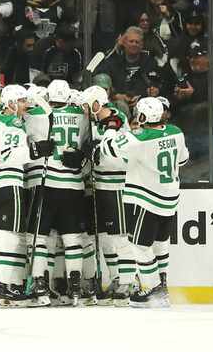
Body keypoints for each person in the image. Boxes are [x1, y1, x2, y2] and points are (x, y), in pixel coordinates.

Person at [0, 84, 55, 307]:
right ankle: (3, 288)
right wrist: (36, 150)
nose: (25, 106)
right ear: (12, 103)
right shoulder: (15, 125)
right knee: (10, 236)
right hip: (7, 185)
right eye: (22, 101)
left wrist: (2, 99)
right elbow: (7, 154)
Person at [97, 96, 189, 307]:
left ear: (143, 115)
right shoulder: (177, 132)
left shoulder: (138, 138)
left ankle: (151, 287)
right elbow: (183, 159)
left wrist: (111, 126)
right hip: (170, 199)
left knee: (139, 245)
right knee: (160, 243)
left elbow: (107, 148)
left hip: (147, 199)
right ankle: (162, 283)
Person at [26, 80, 90, 306]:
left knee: (40, 237)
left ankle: (40, 283)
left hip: (46, 183)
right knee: (72, 237)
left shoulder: (35, 114)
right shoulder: (82, 116)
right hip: (73, 185)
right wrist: (82, 155)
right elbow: (87, 146)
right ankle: (75, 287)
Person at [77, 84, 131, 305]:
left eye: (88, 106)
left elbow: (113, 148)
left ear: (98, 102)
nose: (85, 110)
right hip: (99, 186)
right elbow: (87, 149)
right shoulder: (90, 122)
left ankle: (127, 281)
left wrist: (94, 150)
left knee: (120, 236)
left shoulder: (116, 119)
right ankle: (115, 277)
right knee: (106, 238)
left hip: (118, 185)